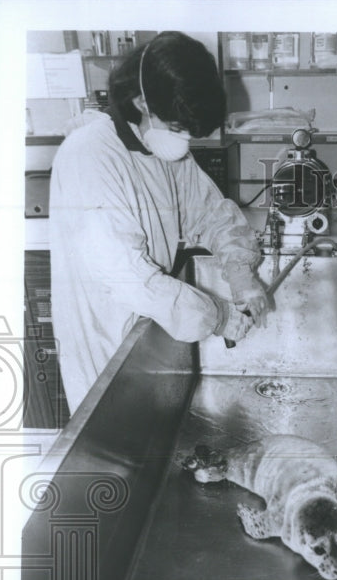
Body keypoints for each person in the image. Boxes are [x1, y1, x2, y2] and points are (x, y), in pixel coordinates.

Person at [50, 31, 267, 413]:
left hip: (150, 320)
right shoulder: (89, 156)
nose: (183, 142)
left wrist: (240, 271)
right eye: (178, 128)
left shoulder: (158, 145)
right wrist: (217, 316)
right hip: (105, 334)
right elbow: (129, 278)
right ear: (140, 102)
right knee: (112, 443)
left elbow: (211, 213)